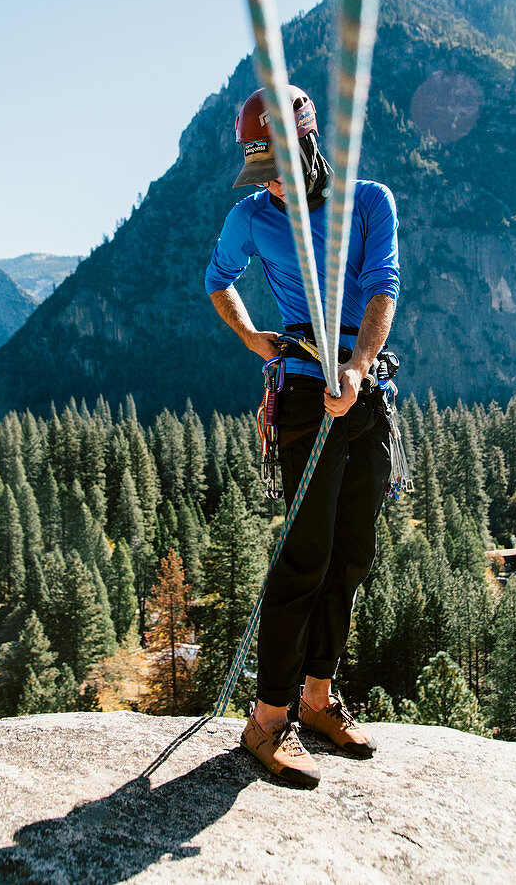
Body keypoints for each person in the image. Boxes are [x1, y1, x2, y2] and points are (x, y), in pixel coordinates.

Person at [204, 85, 399, 788]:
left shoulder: (368, 201)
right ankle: (266, 720)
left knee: (350, 557)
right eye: (264, 174)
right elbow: (217, 280)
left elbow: (382, 288)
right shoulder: (250, 216)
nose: (275, 187)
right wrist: (257, 340)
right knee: (304, 560)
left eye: (283, 169)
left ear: (312, 147)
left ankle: (318, 699)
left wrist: (356, 366)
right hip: (301, 398)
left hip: (362, 393)